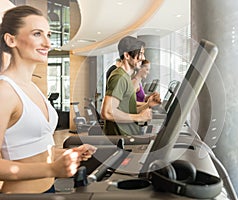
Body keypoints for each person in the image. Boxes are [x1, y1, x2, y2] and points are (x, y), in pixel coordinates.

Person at [0, 5, 96, 193]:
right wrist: (52, 168)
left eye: (49, 35)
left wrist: (67, 154)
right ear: (11, 40)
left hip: (49, 188)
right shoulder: (4, 92)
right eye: (37, 34)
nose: (47, 43)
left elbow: (35, 150)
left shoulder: (32, 87)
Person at [101, 36, 160, 135]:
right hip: (122, 141)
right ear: (127, 55)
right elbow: (107, 112)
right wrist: (139, 117)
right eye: (140, 54)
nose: (143, 58)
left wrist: (147, 105)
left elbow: (126, 110)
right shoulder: (119, 77)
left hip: (130, 135)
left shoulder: (126, 78)